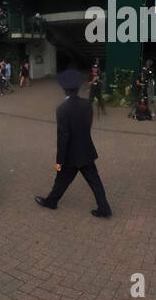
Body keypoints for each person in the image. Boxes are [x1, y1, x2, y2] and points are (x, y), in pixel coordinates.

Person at [35, 69, 111, 218]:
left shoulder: (62, 109)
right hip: (86, 150)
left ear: (64, 89)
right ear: (77, 88)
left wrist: (59, 161)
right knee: (95, 181)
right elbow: (87, 126)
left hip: (71, 154)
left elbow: (63, 137)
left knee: (62, 180)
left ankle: (51, 202)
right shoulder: (86, 104)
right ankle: (104, 208)